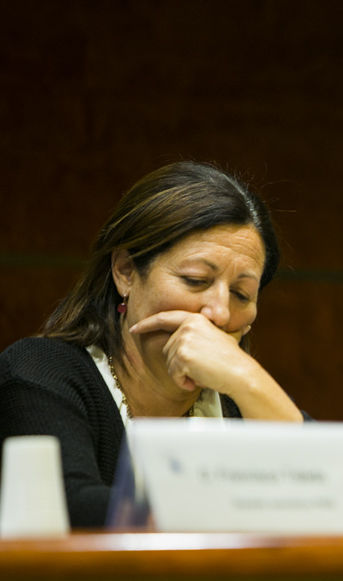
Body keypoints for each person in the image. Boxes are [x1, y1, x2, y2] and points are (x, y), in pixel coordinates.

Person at [0, 161, 304, 528]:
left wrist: (245, 376)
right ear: (126, 271)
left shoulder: (244, 403)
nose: (220, 312)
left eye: (241, 293)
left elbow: (331, 504)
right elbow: (70, 509)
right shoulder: (41, 372)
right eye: (195, 280)